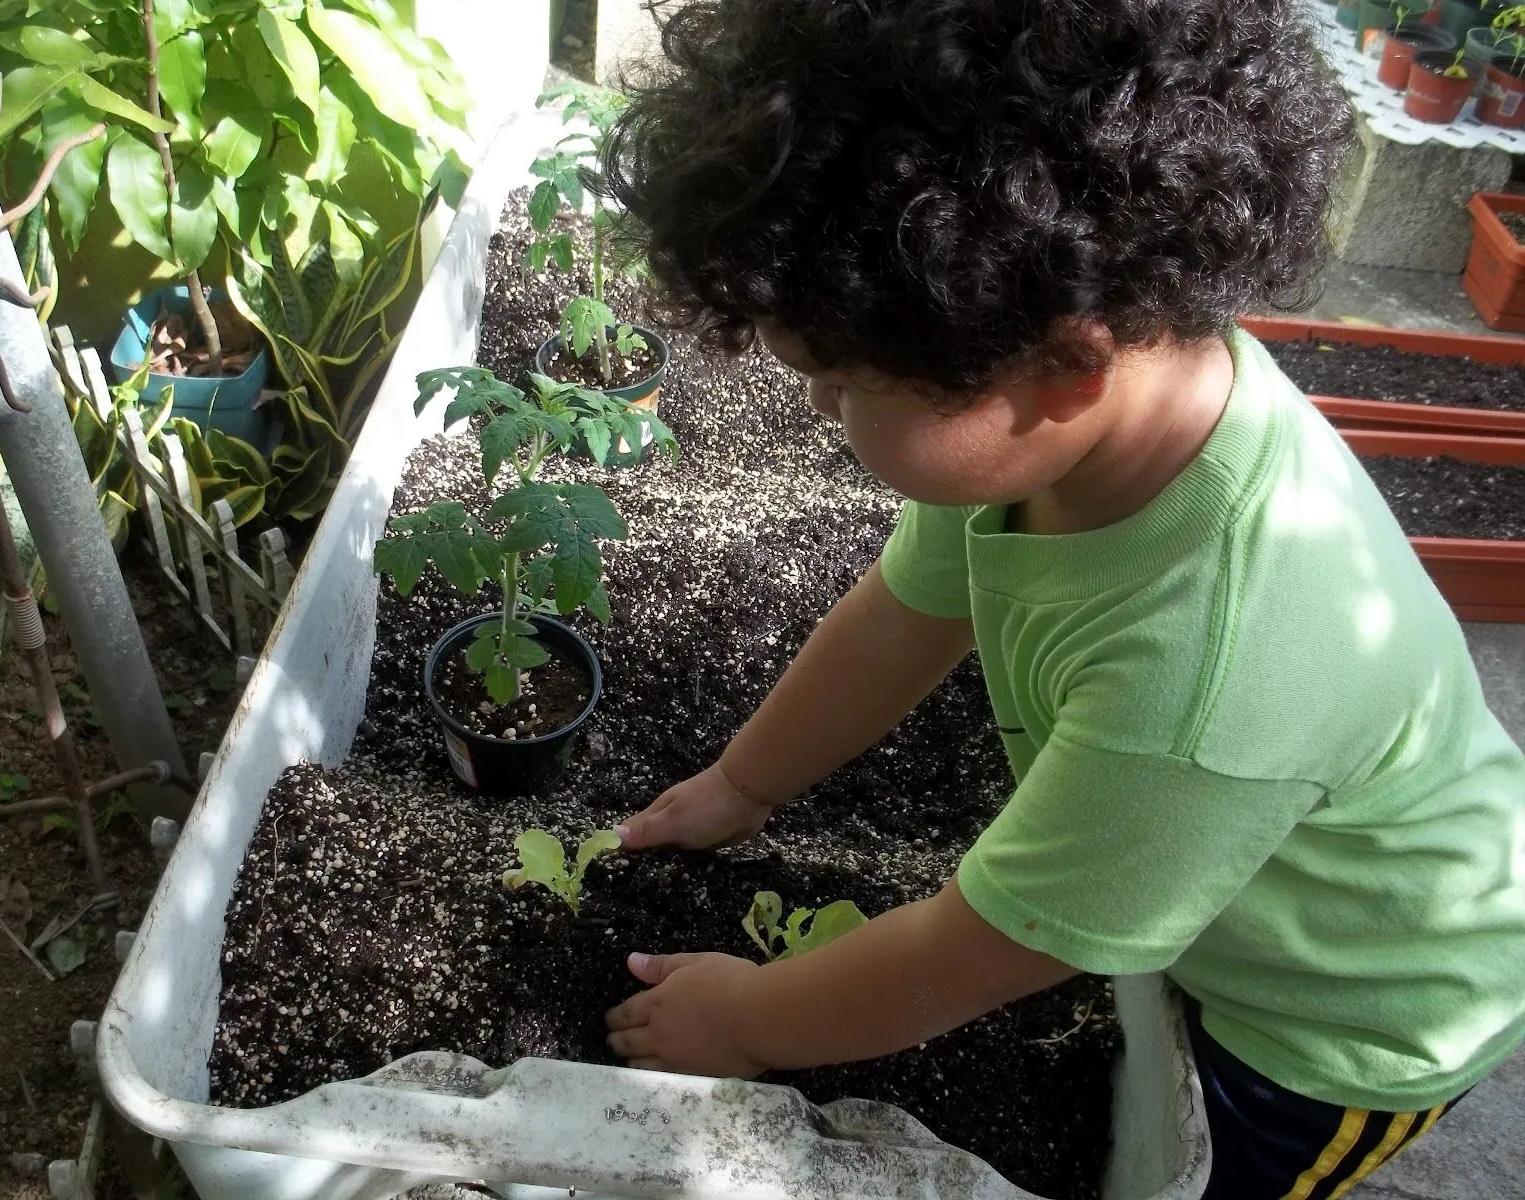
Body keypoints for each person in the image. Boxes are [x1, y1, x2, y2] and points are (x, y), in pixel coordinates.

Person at [593, 1, 1525, 1196]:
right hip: (1221, 844)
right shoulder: (1053, 412)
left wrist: (749, 1021)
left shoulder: (1209, 667)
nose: (821, 418)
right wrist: (744, 782)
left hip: (1343, 1017)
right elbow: (905, 613)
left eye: (835, 386)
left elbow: (988, 946)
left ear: (1069, 367)